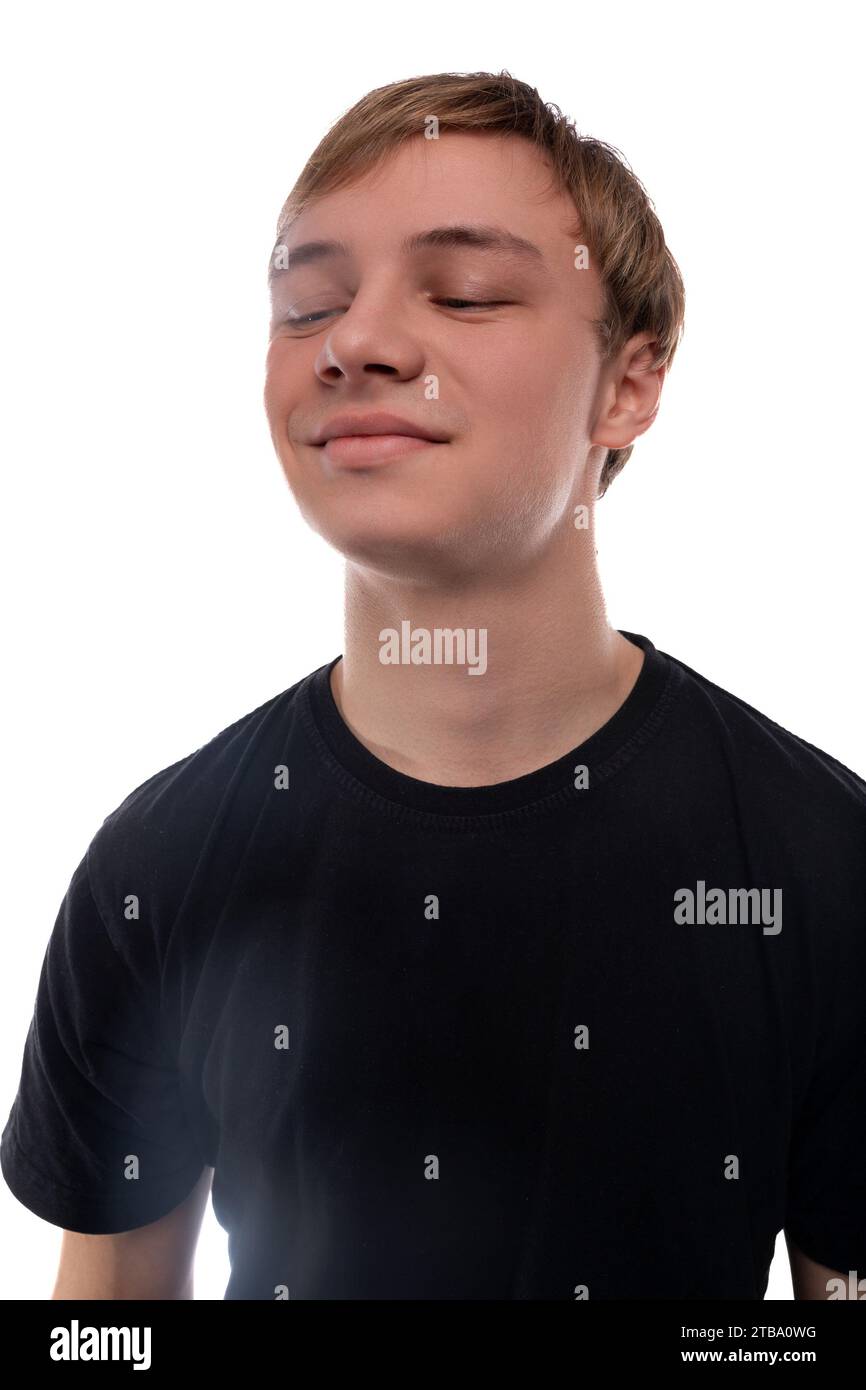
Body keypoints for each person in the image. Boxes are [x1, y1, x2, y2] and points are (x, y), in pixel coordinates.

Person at [3, 71, 864, 1301]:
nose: (353, 342)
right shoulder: (159, 864)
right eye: (307, 304)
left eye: (461, 291)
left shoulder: (819, 862)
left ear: (627, 383)